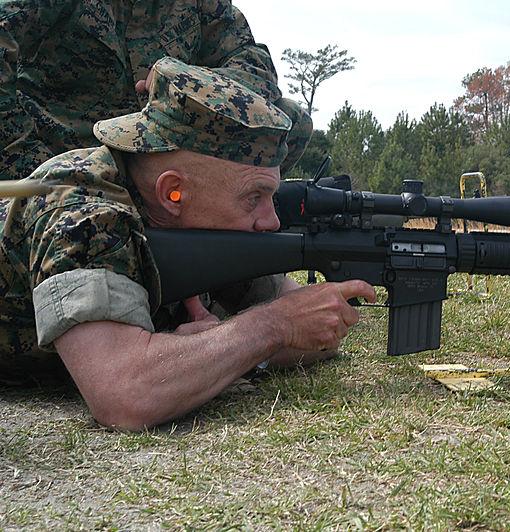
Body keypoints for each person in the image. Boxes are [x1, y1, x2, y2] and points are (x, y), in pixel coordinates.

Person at [0, 57, 376, 431]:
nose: (272, 221)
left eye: (271, 196)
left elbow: (314, 336)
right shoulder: (78, 207)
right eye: (254, 197)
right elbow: (125, 394)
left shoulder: (208, 227)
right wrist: (269, 327)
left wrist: (229, 344)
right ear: (172, 192)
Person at [0, 0, 312, 181]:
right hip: (65, 147)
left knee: (290, 121)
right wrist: (27, 161)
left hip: (167, 146)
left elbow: (255, 66)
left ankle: (225, 220)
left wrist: (187, 81)